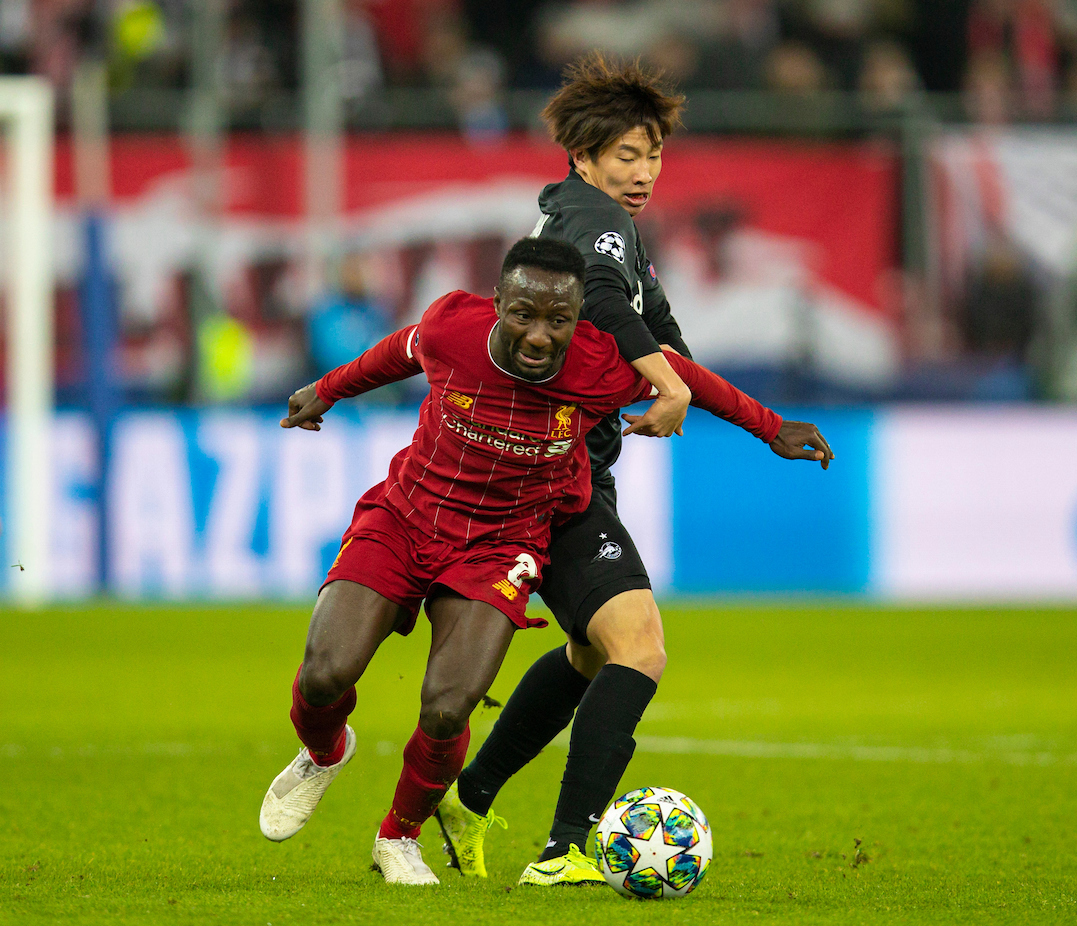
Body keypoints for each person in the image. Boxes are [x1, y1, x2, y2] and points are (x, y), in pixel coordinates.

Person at [257, 237, 828, 885]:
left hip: (501, 544)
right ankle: (323, 752)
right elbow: (397, 351)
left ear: (579, 318)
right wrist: (326, 390)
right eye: (523, 313)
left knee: (448, 709)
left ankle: (399, 838)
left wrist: (772, 427)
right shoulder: (453, 326)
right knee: (324, 675)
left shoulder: (600, 364)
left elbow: (683, 374)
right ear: (497, 302)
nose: (539, 334)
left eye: (559, 320)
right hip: (406, 516)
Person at [435, 54, 834, 886]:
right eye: (627, 155)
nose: (645, 172)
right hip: (555, 477)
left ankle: (467, 797)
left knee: (590, 656)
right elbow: (614, 310)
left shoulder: (587, 221)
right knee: (639, 648)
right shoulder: (596, 224)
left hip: (558, 474)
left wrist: (747, 416)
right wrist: (664, 382)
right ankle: (564, 851)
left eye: (653, 155)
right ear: (583, 157)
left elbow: (671, 345)